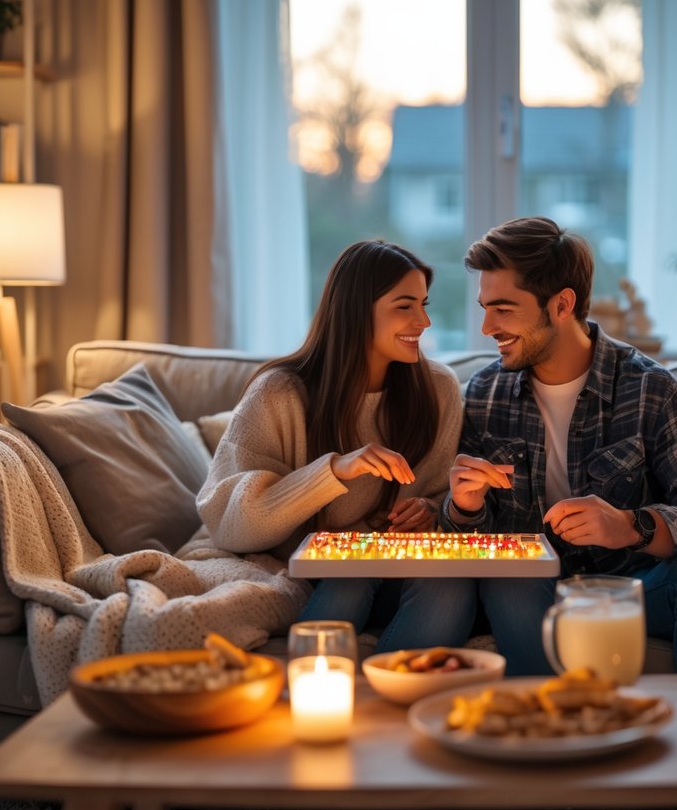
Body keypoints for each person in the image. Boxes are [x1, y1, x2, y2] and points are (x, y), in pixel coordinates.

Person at [440, 216, 677, 676]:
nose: (486, 327)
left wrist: (632, 526)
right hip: (532, 593)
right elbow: (468, 548)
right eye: (485, 307)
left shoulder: (651, 389)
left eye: (503, 309)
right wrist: (464, 508)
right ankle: (550, 731)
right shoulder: (484, 394)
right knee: (508, 579)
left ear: (562, 304)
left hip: (634, 588)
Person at [198, 239, 474, 651]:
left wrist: (430, 509)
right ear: (357, 311)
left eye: (424, 305)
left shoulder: (439, 389)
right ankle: (325, 694)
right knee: (350, 580)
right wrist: (334, 471)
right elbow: (229, 524)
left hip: (403, 566)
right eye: (405, 306)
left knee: (451, 588)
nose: (424, 321)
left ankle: (390, 692)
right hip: (321, 571)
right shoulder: (279, 392)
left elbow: (437, 490)